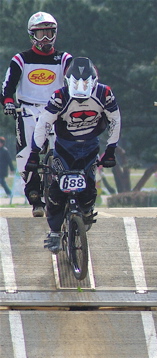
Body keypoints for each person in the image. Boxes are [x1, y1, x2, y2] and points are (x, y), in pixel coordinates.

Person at [25, 57, 119, 252]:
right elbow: (43, 123)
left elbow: (115, 120)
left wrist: (111, 149)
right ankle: (54, 232)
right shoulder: (59, 96)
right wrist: (34, 153)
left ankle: (85, 211)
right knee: (57, 192)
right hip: (65, 148)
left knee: (89, 190)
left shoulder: (105, 93)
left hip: (90, 146)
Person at [2, 12, 72, 217]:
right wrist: (7, 102)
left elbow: (76, 77)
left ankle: (63, 189)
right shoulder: (21, 59)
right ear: (32, 35)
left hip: (56, 108)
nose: (46, 39)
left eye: (50, 33)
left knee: (66, 148)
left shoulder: (64, 58)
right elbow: (8, 87)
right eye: (41, 34)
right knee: (26, 152)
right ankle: (34, 194)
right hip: (28, 109)